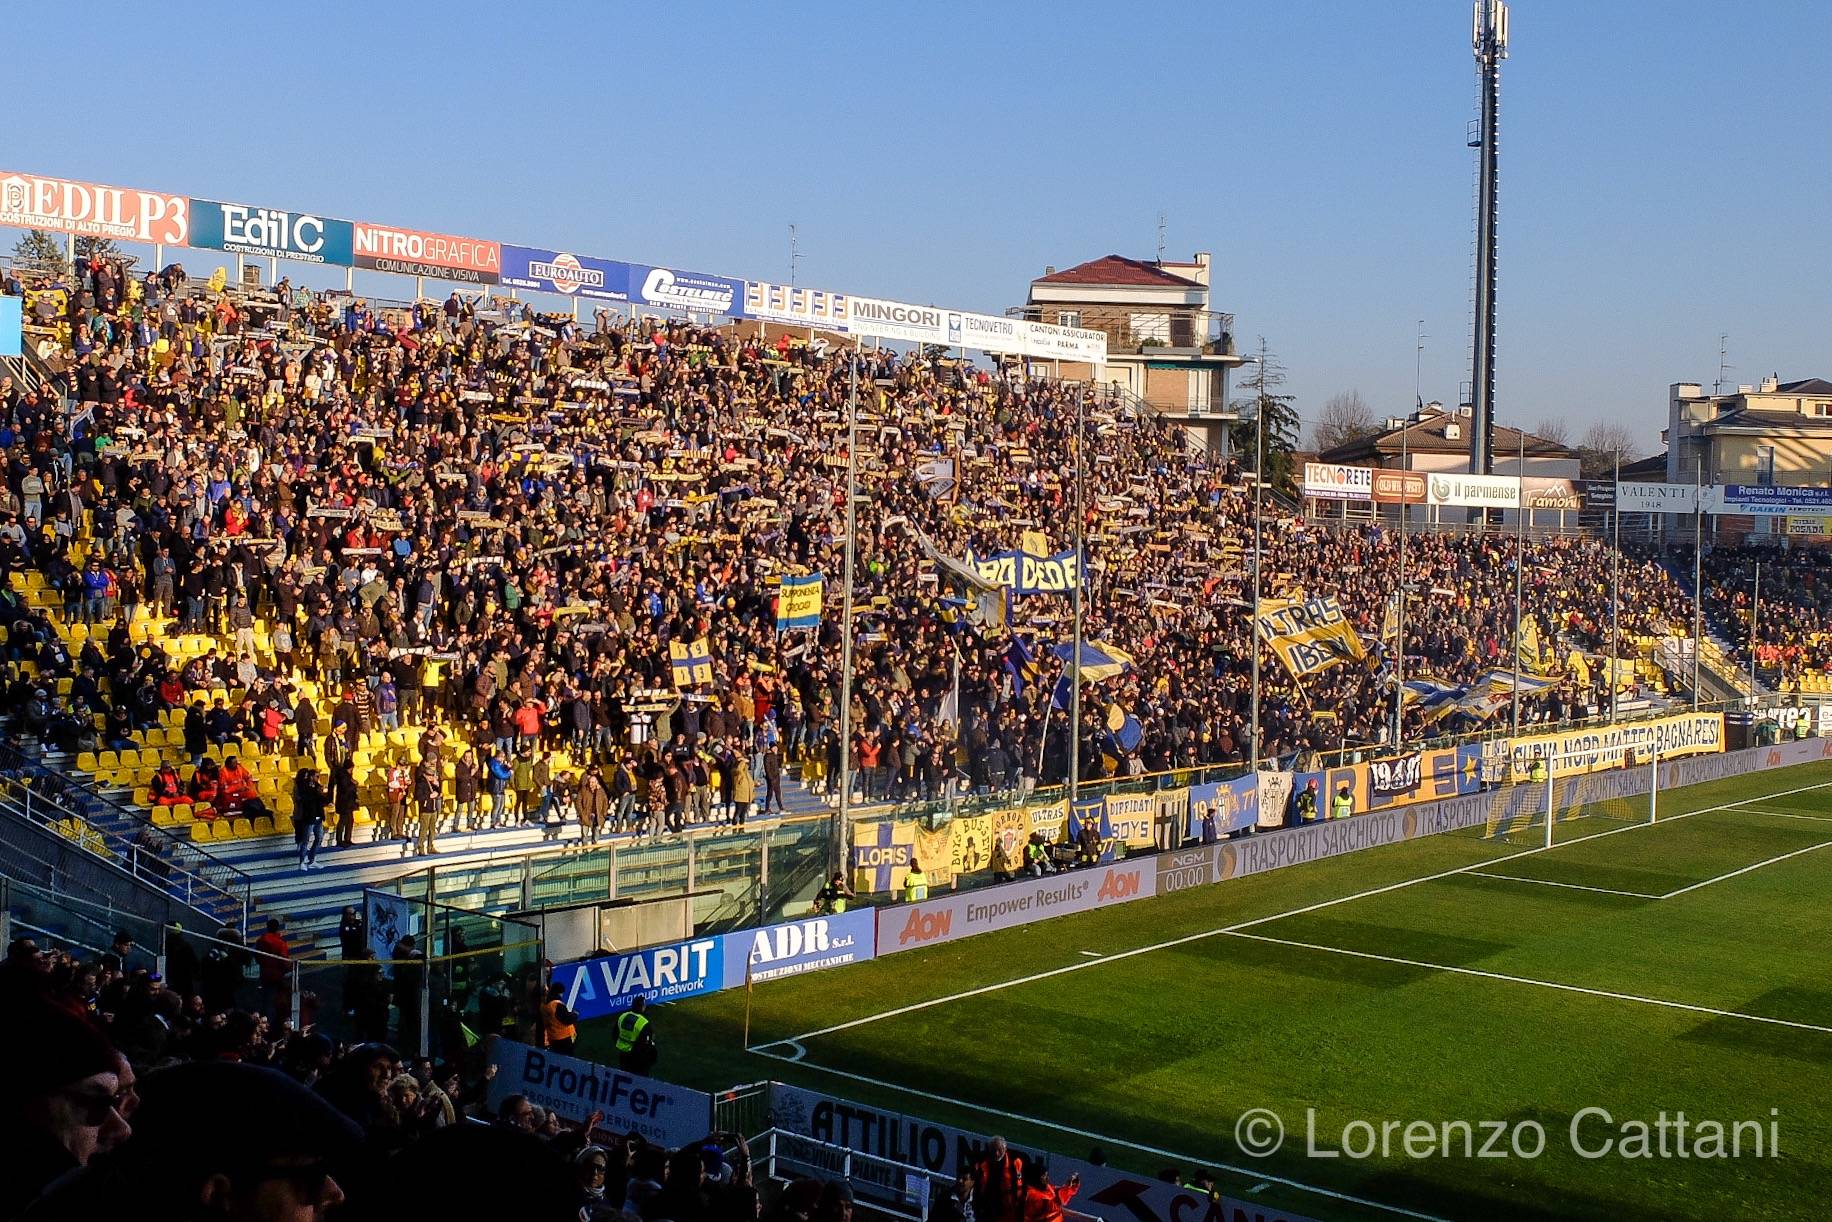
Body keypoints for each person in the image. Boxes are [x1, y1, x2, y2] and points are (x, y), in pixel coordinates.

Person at [973, 1136, 1025, 1222]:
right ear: (989, 1149)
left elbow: (1022, 1186)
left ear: (1005, 1149)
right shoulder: (981, 1162)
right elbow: (977, 1188)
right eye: (993, 1150)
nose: (997, 1153)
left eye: (999, 1150)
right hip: (988, 1207)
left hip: (1010, 1208)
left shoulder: (1015, 1162)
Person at [292, 766, 326, 870]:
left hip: (318, 815)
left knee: (319, 837)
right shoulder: (303, 788)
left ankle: (312, 859)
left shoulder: (317, 787)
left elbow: (322, 799)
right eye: (316, 776)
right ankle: (302, 861)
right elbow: (303, 800)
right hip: (309, 817)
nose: (317, 778)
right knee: (305, 840)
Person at [615, 995, 657, 1074]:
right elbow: (646, 1044)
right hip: (637, 1058)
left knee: (623, 1075)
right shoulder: (643, 1023)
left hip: (623, 1055)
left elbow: (615, 1034)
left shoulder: (622, 1016)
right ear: (642, 1007)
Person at [539, 982, 580, 1055]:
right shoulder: (556, 1005)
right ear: (559, 993)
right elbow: (567, 1020)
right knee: (568, 1058)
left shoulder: (543, 1005)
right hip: (564, 1038)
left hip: (552, 1037)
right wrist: (575, 1014)